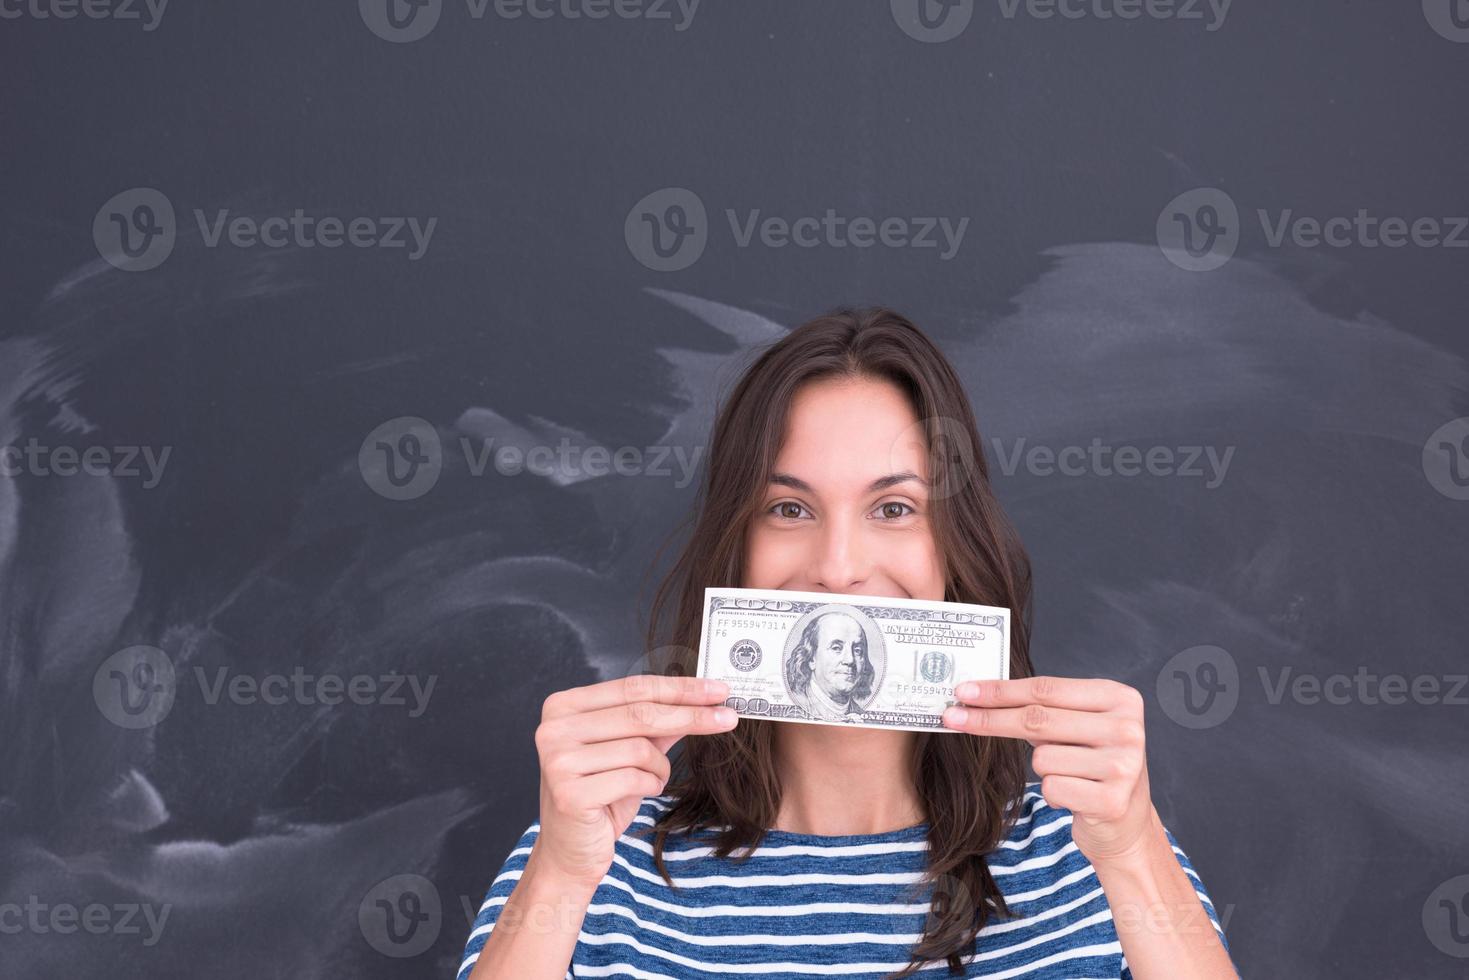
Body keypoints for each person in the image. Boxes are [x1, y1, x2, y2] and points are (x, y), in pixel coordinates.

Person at [459, 308, 1239, 979]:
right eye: (789, 511)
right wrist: (560, 875)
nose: (837, 571)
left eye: (893, 508)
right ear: (736, 551)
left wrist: (1134, 853)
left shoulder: (1090, 855)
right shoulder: (595, 853)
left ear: (953, 548)